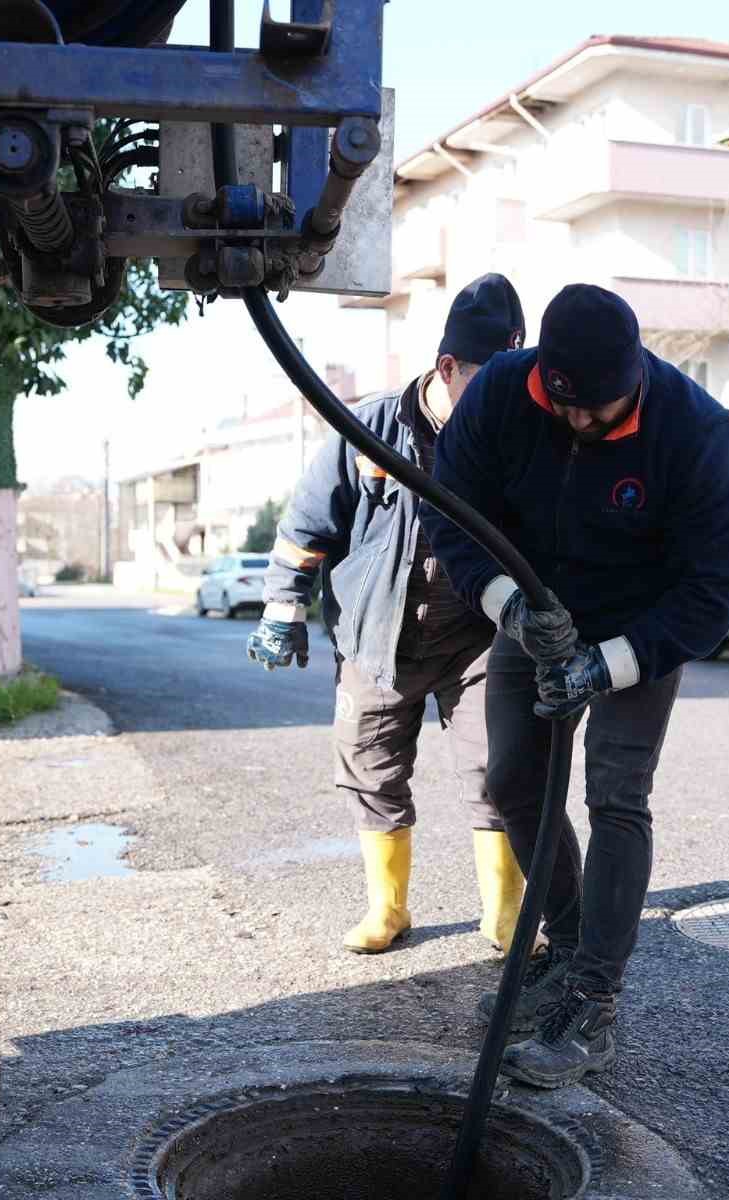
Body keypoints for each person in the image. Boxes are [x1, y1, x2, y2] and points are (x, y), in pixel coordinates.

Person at [422, 283, 729, 1087]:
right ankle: (567, 950)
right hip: (534, 611)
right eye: (563, 406)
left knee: (615, 794)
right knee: (511, 782)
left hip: (643, 628)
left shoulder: (698, 434)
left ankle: (594, 1003)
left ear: (634, 376)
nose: (579, 423)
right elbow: (450, 515)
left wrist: (607, 665)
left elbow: (712, 595)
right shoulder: (503, 390)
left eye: (597, 412)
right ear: (542, 373)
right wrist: (506, 605)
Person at [247, 274, 533, 955]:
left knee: (502, 771)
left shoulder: (508, 439)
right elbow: (308, 523)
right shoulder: (366, 431)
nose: (503, 402)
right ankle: (389, 910)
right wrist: (284, 604)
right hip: (377, 640)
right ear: (447, 368)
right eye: (490, 382)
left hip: (475, 640)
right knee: (370, 770)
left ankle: (505, 917)